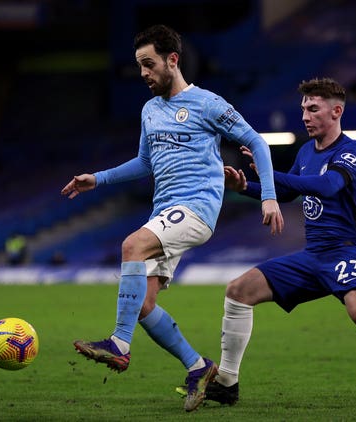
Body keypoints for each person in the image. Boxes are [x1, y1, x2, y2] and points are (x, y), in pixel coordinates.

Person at [60, 24, 283, 412]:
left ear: (173, 60)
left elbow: (256, 141)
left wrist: (268, 196)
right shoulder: (150, 110)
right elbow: (145, 162)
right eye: (139, 66)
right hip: (165, 211)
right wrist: (98, 179)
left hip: (197, 206)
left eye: (149, 64)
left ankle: (119, 344)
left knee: (131, 244)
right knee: (143, 305)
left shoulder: (208, 103)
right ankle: (198, 367)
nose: (143, 73)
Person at [195, 78, 356, 412]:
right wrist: (246, 187)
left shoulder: (351, 150)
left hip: (346, 250)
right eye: (303, 109)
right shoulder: (305, 152)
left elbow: (327, 186)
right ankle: (227, 383)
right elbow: (285, 193)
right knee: (239, 290)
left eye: (313, 108)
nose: (305, 116)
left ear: (336, 111)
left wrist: (272, 175)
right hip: (314, 255)